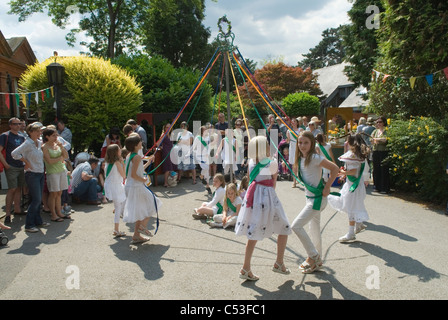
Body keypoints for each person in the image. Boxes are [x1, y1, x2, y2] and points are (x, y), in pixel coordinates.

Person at [235, 136, 292, 281]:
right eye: (267, 144)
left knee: (253, 230)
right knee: (284, 226)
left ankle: (246, 267)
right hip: (268, 197)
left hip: (253, 197)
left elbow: (249, 179)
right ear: (263, 147)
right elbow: (273, 183)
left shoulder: (251, 162)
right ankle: (279, 262)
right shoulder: (272, 163)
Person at [291, 131, 339, 274]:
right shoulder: (301, 159)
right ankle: (317, 260)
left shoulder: (315, 157)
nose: (302, 145)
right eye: (300, 142)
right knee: (314, 229)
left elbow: (335, 168)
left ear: (312, 143)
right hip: (310, 198)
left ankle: (313, 256)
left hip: (317, 200)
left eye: (306, 142)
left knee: (296, 226)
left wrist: (327, 186)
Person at [328, 133, 370, 242]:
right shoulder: (359, 154)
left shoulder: (353, 155)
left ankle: (351, 233)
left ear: (351, 143)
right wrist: (345, 174)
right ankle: (359, 225)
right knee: (354, 205)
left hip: (353, 187)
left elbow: (354, 171)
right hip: (356, 185)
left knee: (351, 208)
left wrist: (343, 172)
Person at [11, 123, 50, 232]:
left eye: (40, 131)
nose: (39, 133)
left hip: (40, 173)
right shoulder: (28, 143)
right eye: (37, 131)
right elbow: (14, 153)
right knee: (37, 199)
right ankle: (29, 224)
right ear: (30, 132)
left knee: (35, 199)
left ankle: (38, 221)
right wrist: (25, 162)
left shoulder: (38, 142)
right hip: (32, 174)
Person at [123, 134, 161, 244]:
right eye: (139, 142)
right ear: (135, 145)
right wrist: (143, 179)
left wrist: (148, 162)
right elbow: (135, 175)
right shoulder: (137, 157)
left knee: (140, 210)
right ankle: (142, 227)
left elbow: (136, 170)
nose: (141, 143)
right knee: (154, 203)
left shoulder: (130, 155)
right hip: (136, 187)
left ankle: (136, 235)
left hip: (132, 186)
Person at [0, 117, 26, 223]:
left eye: (19, 124)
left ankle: (17, 209)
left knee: (19, 188)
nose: (18, 126)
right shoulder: (5, 136)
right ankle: (7, 214)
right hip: (11, 166)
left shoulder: (21, 137)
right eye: (15, 124)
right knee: (12, 189)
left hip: (21, 165)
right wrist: (6, 164)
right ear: (10, 125)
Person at [42, 128, 70, 222]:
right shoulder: (44, 147)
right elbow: (49, 161)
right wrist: (60, 158)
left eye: (56, 135)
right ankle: (53, 214)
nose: (56, 137)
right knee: (53, 193)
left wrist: (62, 147)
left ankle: (59, 212)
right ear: (47, 136)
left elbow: (66, 156)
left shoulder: (57, 145)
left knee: (59, 193)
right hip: (52, 172)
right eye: (53, 135)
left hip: (61, 170)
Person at [104, 144, 127, 237]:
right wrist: (123, 164)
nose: (120, 150)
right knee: (119, 207)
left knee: (119, 205)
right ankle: (116, 229)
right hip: (116, 186)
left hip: (110, 186)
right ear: (116, 152)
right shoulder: (117, 163)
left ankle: (116, 228)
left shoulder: (107, 162)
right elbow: (124, 175)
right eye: (119, 149)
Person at [371, 116, 390, 194]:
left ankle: (384, 187)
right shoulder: (375, 131)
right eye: (377, 122)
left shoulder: (386, 131)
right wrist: (377, 140)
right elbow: (371, 140)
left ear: (384, 122)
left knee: (384, 169)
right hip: (376, 151)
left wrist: (377, 140)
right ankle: (377, 186)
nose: (378, 123)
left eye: (380, 122)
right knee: (376, 169)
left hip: (384, 152)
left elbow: (385, 140)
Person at [192, 126, 211, 194]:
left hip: (206, 156)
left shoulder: (208, 137)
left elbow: (209, 147)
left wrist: (208, 153)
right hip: (199, 156)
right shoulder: (197, 138)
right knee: (205, 168)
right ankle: (201, 176)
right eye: (204, 130)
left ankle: (207, 186)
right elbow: (194, 147)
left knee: (207, 171)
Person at [158, 123, 176, 188]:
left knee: (170, 167)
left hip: (171, 152)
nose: (168, 128)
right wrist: (162, 147)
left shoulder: (170, 135)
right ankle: (165, 183)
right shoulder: (164, 135)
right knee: (167, 168)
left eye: (169, 127)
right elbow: (158, 144)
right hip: (166, 153)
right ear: (164, 128)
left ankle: (168, 182)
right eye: (167, 127)